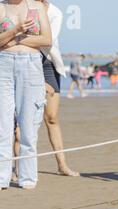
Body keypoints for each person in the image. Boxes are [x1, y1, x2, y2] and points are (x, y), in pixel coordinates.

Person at [0, 0, 52, 190]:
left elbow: (46, 39)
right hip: (3, 65)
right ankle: (2, 177)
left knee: (29, 124)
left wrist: (12, 40)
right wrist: (16, 30)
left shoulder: (36, 7)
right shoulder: (1, 7)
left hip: (31, 64)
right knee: (3, 125)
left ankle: (28, 177)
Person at [35, 0, 79, 177]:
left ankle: (62, 165)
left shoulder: (55, 12)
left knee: (52, 117)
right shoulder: (19, 6)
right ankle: (18, 168)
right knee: (21, 120)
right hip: (24, 60)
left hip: (48, 64)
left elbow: (48, 41)